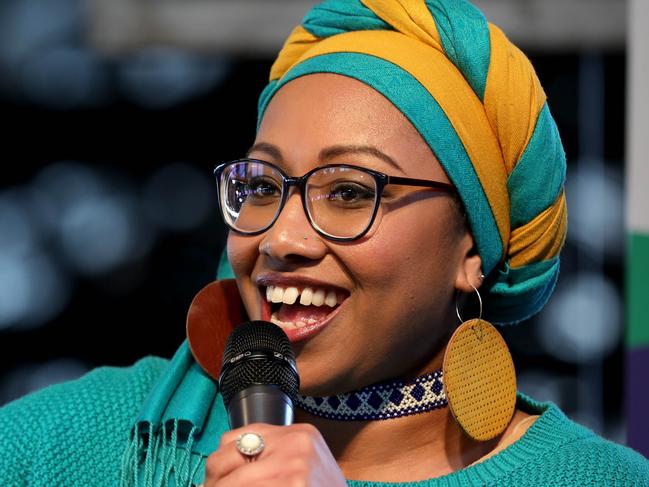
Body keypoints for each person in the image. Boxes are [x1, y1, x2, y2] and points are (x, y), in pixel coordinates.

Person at [1, 1, 648, 486]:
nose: (279, 236)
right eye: (261, 186)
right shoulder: (64, 442)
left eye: (348, 192)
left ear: (470, 249)